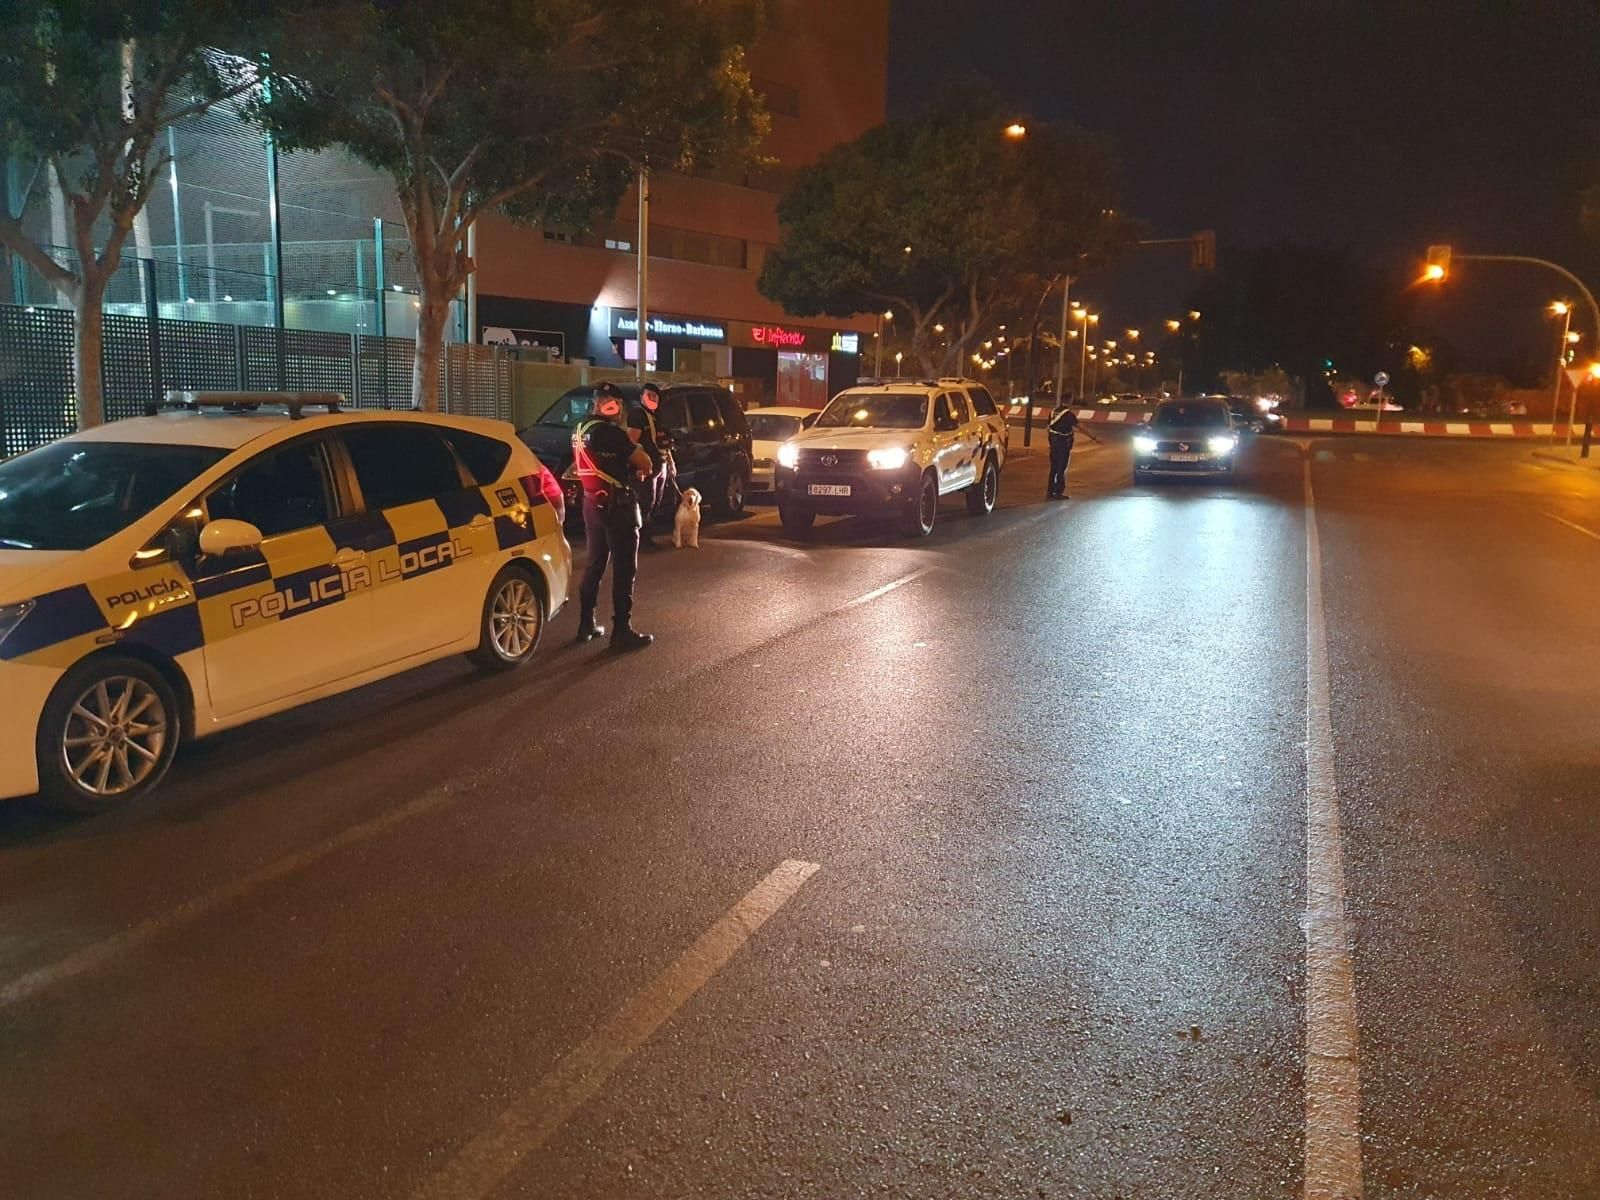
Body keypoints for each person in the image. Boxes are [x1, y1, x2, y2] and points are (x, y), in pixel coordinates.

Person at [573, 382, 655, 650]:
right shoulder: (610, 433)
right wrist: (637, 464)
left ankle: (586, 623)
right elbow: (644, 461)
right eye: (614, 404)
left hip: (592, 504)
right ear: (610, 405)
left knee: (595, 563)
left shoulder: (580, 430)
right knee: (624, 569)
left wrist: (626, 468)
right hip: (617, 507)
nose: (616, 409)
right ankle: (622, 630)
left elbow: (602, 464)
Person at [628, 382, 671, 547]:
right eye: (649, 396)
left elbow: (664, 442)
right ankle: (641, 539)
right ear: (641, 398)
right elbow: (631, 442)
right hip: (646, 467)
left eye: (655, 396)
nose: (652, 399)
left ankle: (647, 535)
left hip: (661, 464)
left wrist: (670, 463)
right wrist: (639, 466)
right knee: (645, 501)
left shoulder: (658, 416)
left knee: (655, 501)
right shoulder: (638, 415)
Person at [1046, 391, 1096, 498]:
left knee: (1053, 468)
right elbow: (1080, 427)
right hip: (1063, 443)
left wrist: (1050, 442)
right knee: (1061, 467)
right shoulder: (1068, 414)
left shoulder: (1053, 412)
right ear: (1069, 400)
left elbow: (1048, 428)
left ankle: (1050, 491)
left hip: (1053, 443)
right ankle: (1058, 492)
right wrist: (1093, 437)